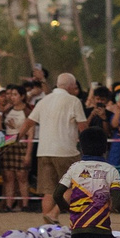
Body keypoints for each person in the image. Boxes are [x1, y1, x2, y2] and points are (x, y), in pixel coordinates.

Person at [32, 72, 86, 214]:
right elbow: (83, 128)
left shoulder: (44, 100)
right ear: (70, 86)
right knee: (74, 185)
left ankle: (46, 226)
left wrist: (17, 136)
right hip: (66, 151)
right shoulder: (74, 101)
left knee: (49, 191)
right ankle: (53, 214)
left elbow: (29, 121)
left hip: (44, 151)